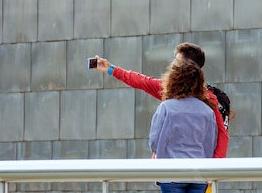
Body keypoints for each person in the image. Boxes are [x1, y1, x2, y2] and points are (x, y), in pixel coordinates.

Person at [93, 42, 229, 158]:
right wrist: (111, 69)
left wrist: (211, 170)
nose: (172, 66)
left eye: (176, 63)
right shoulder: (171, 88)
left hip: (198, 172)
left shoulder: (208, 98)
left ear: (187, 67)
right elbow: (141, 81)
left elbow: (222, 134)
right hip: (174, 170)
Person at [149, 59, 217, 193]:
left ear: (174, 81)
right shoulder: (207, 111)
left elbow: (153, 141)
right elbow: (210, 144)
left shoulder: (166, 108)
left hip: (171, 175)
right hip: (198, 174)